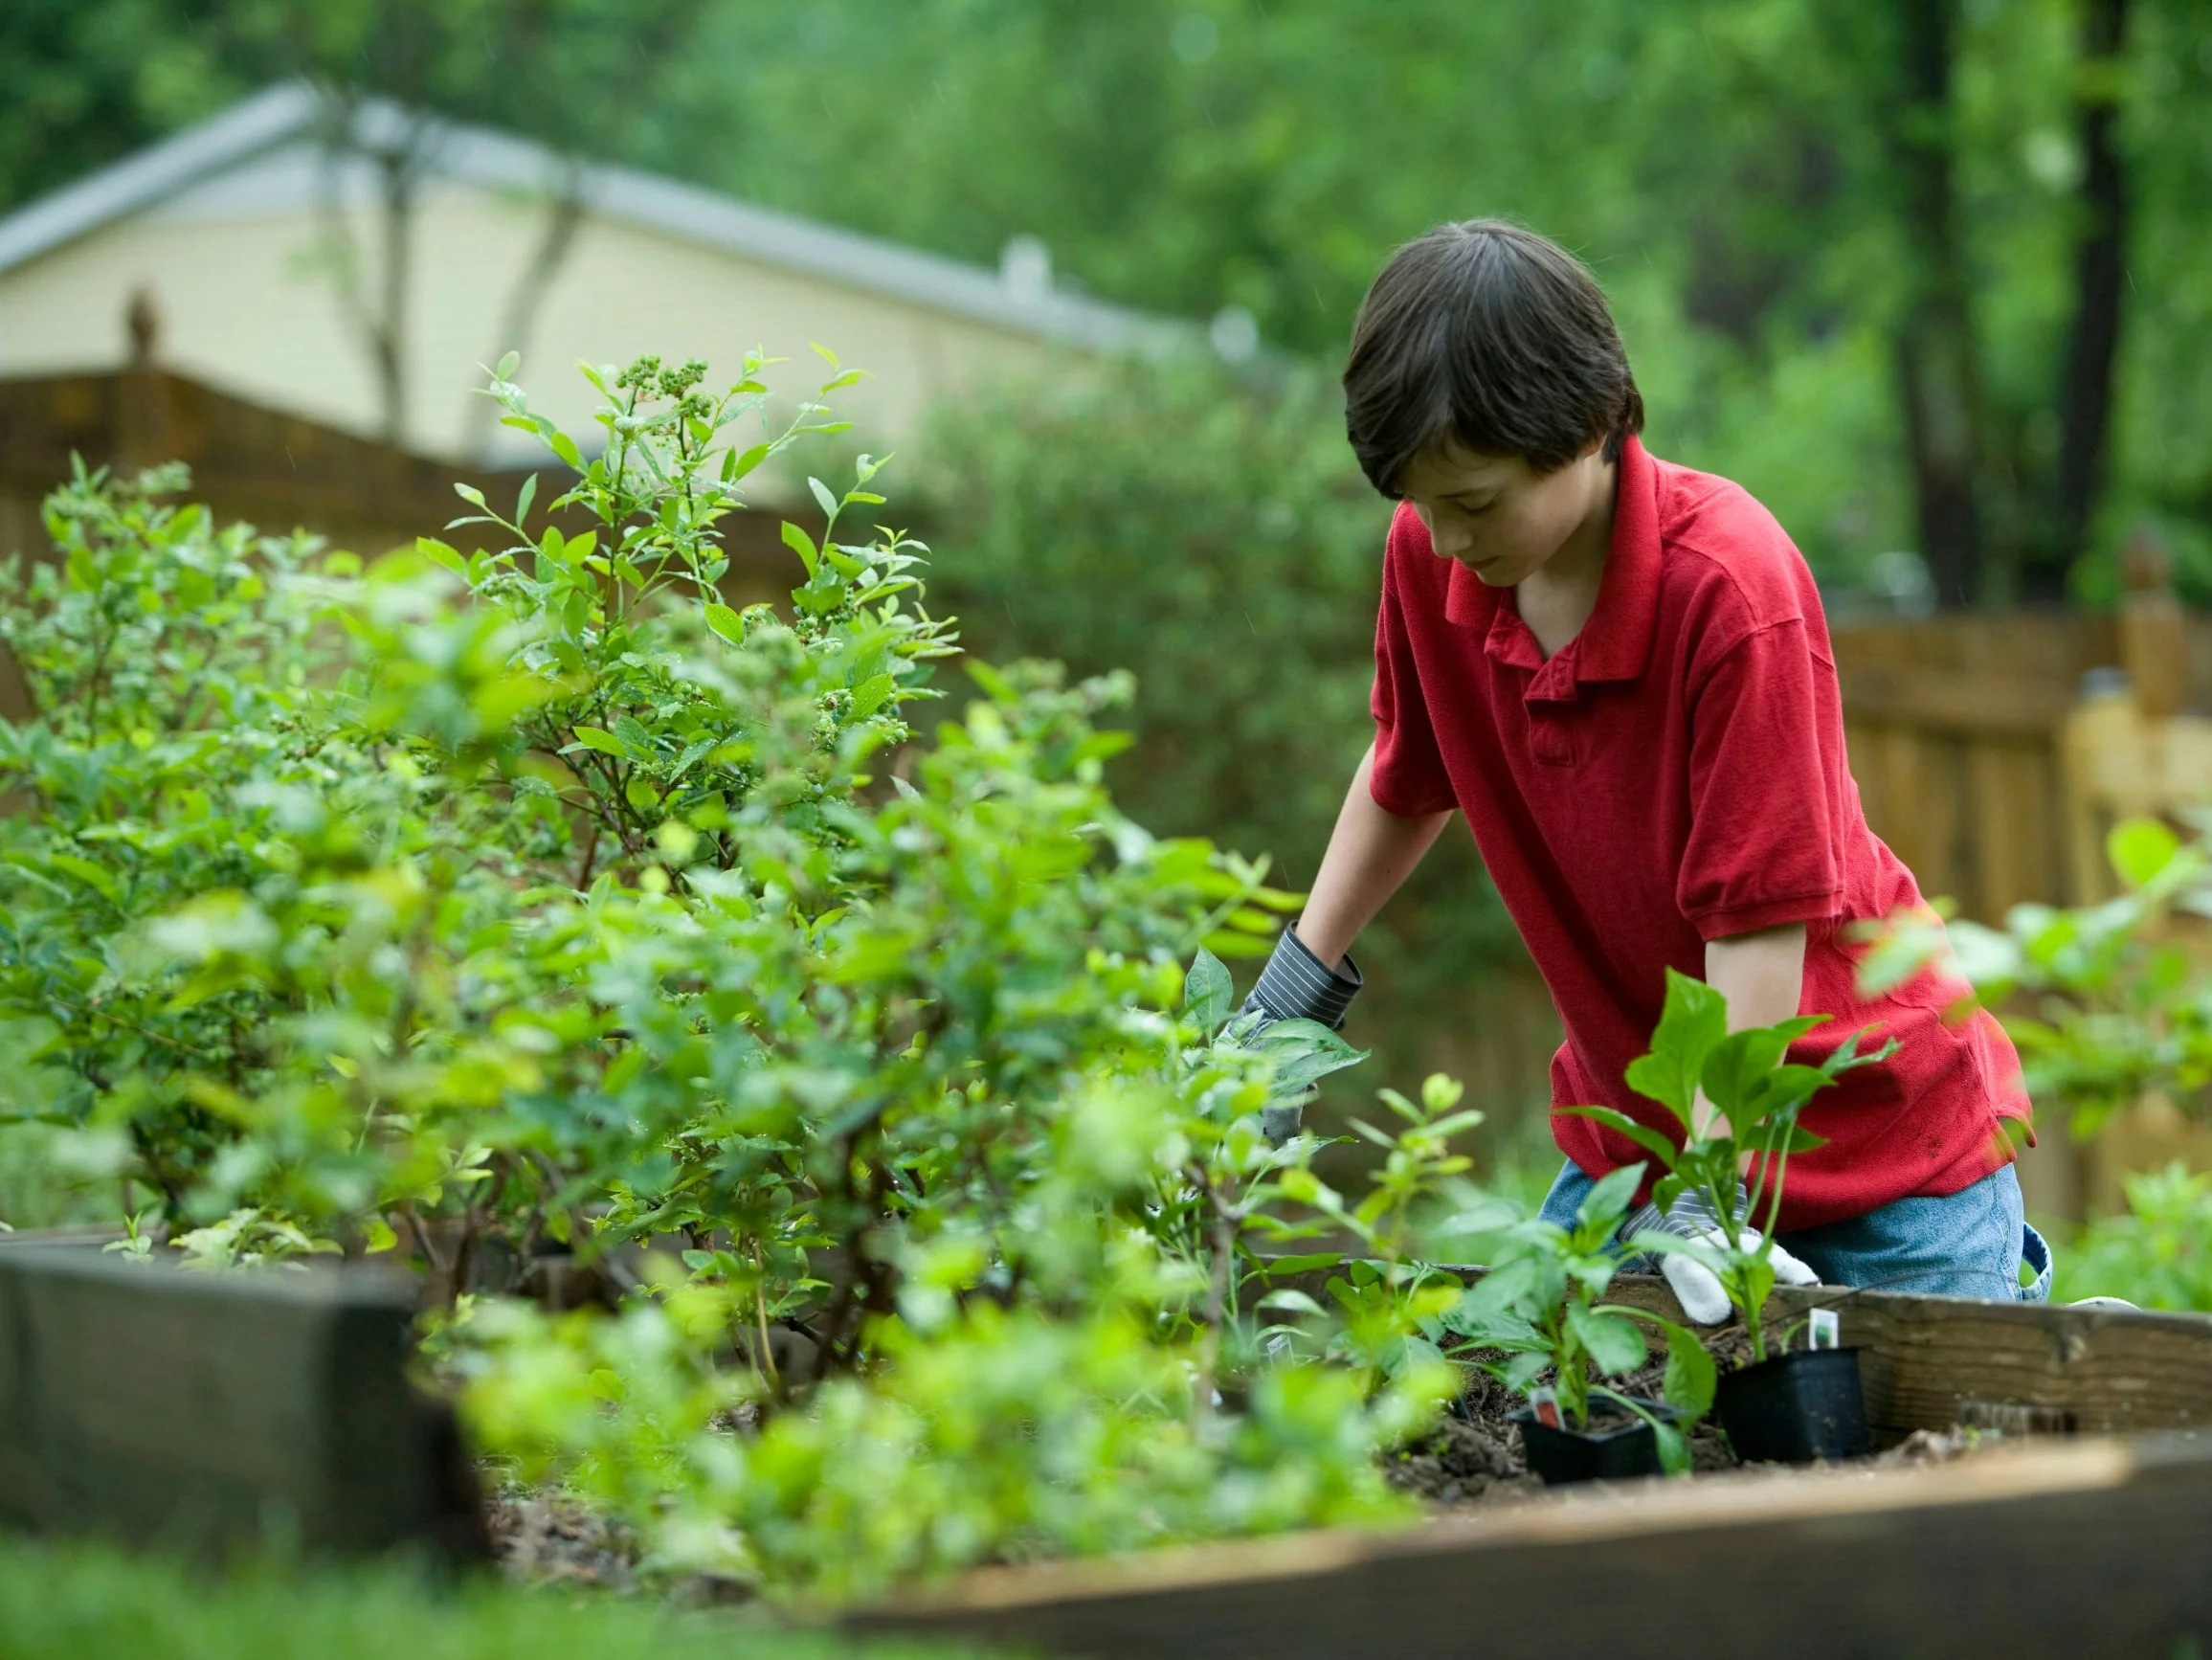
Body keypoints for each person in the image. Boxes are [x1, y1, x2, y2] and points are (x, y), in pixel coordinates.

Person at [1243, 219, 2049, 1318]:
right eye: (1416, 502)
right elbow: (1406, 769)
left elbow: (1755, 929)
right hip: (1642, 1148)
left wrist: (1713, 1201)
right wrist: (1283, 1010)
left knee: (1943, 1460)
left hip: (1877, 1156)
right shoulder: (1433, 558)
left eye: (1473, 501)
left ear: (1584, 426)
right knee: (1547, 1428)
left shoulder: (1727, 585)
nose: (1440, 538)